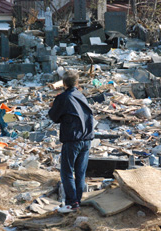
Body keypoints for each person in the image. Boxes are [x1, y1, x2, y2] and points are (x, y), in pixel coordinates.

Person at [48, 70, 94, 213]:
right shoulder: (81, 96)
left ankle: (71, 203)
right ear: (77, 82)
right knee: (80, 172)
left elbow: (54, 117)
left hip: (73, 139)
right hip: (87, 139)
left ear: (63, 83)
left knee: (67, 172)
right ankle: (77, 202)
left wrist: (53, 106)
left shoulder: (63, 98)